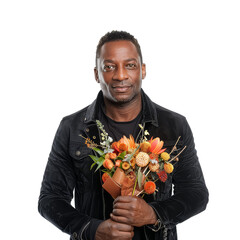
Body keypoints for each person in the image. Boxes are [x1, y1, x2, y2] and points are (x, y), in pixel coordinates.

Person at [38, 30, 209, 240]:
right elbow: (50, 199)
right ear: (96, 74)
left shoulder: (174, 125)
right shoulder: (72, 128)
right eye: (109, 67)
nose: (120, 75)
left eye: (130, 65)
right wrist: (92, 230)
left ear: (142, 70)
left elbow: (196, 194)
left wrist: (154, 214)